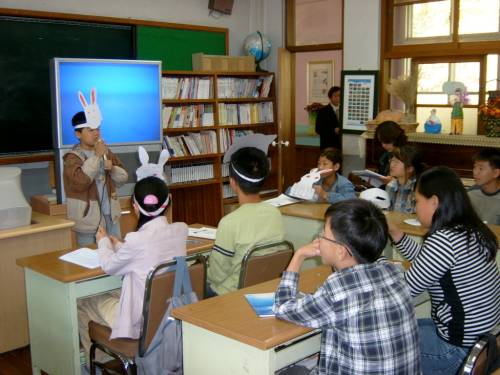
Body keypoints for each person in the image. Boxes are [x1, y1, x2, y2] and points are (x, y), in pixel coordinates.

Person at [274, 199, 421, 375]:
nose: (318, 239)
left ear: (341, 251)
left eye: (323, 234)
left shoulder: (338, 291)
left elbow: (282, 307)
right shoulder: (394, 272)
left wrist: (298, 256)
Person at [389, 166, 500, 375]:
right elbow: (430, 263)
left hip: (457, 348)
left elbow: (401, 292)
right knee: (400, 326)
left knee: (381, 340)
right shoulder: (470, 230)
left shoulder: (445, 239)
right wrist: (397, 235)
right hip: (482, 342)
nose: (414, 208)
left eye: (416, 201)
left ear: (434, 202)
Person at [77, 176, 188, 363]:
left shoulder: (136, 240)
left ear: (135, 207)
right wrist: (121, 246)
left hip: (141, 322)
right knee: (113, 293)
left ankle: (98, 362)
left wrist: (103, 241)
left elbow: (109, 266)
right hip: (169, 311)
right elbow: (149, 253)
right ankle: (108, 358)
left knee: (83, 302)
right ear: (169, 202)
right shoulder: (181, 231)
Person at [206, 147, 285, 296]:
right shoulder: (275, 213)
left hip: (230, 294)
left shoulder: (229, 222)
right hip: (263, 287)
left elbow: (216, 276)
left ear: (232, 182)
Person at [64, 110, 128, 246]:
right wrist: (97, 157)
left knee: (117, 253)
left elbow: (123, 178)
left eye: (98, 129)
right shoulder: (72, 157)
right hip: (88, 219)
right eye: (90, 130)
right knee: (91, 258)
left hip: (111, 216)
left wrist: (112, 169)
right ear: (78, 134)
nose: (96, 133)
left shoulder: (106, 152)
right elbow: (79, 183)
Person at [385, 145, 424, 213]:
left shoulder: (418, 189)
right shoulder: (391, 186)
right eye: (392, 160)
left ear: (410, 169)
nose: (392, 165)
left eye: (397, 162)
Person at [468, 148, 500, 225]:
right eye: (474, 167)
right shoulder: (469, 194)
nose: (475, 172)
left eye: (481, 168)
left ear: (495, 173)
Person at [315, 86, 342, 150]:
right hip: (328, 146)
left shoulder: (344, 110)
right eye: (336, 96)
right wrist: (333, 130)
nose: (338, 98)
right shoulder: (323, 111)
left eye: (340, 96)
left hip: (342, 146)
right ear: (330, 97)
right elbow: (318, 129)